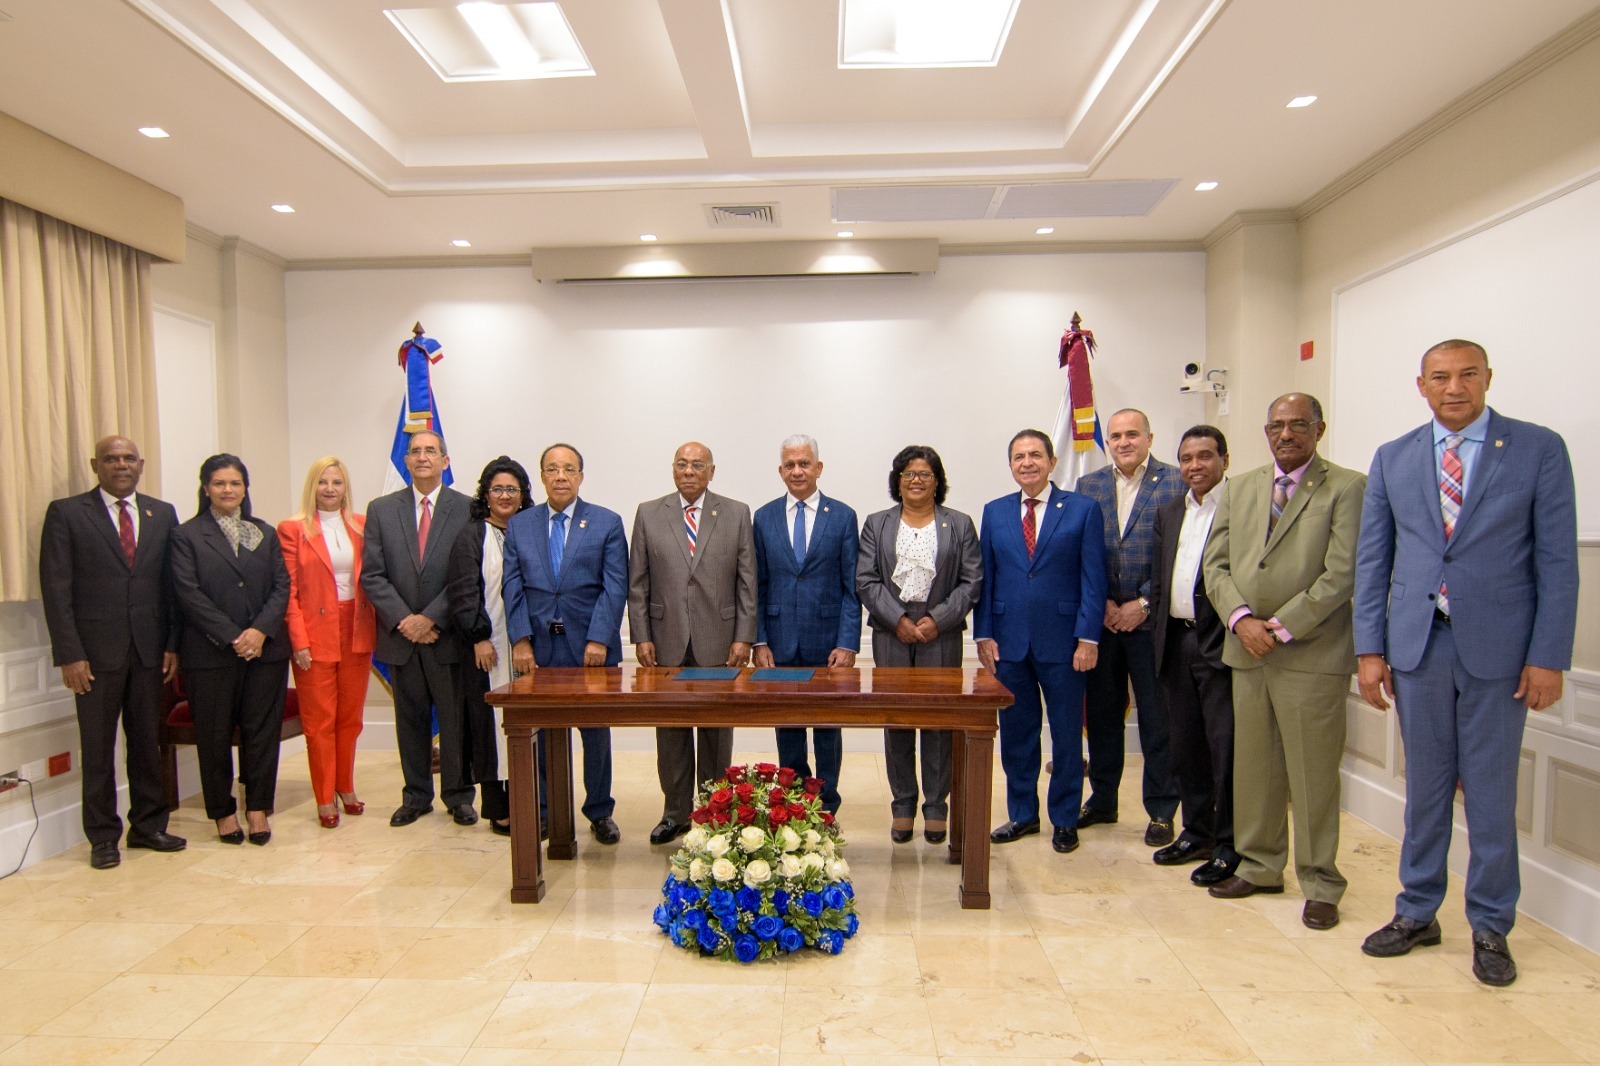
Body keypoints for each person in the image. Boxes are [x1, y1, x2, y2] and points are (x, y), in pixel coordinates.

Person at [1353, 339, 1577, 986]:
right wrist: (1369, 649)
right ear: (1421, 385)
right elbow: (1374, 560)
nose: (1455, 388)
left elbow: (1557, 561)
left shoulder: (1537, 449)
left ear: (1487, 378)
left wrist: (1548, 656)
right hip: (1418, 647)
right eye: (1441, 377)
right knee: (1424, 791)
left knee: (1490, 795)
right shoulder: (1394, 457)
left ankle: (1491, 925)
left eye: (1467, 375)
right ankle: (1417, 910)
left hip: (1501, 653)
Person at [1201, 393, 1364, 931]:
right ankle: (1260, 865)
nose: (1286, 434)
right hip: (1247, 650)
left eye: (1298, 425)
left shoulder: (1347, 487)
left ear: (1319, 429)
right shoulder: (1241, 488)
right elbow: (1215, 565)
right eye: (1276, 426)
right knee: (1255, 769)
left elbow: (1342, 573)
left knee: (1312, 776)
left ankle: (1320, 882)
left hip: (1310, 653)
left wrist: (1282, 625)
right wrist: (1241, 619)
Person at [40, 435, 186, 869]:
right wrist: (70, 654)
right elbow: (56, 590)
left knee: (146, 744)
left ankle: (148, 826)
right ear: (95, 465)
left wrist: (172, 644)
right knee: (98, 749)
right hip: (92, 657)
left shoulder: (162, 513)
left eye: (128, 458)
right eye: (111, 459)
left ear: (141, 465)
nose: (121, 465)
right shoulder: (67, 513)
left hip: (149, 652)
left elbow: (171, 586)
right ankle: (103, 837)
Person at [975, 429, 1106, 855]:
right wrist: (984, 634)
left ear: (1052, 462)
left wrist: (1088, 637)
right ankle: (1023, 814)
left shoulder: (1083, 509)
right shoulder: (995, 512)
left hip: (1065, 644)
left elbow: (1093, 579)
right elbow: (986, 579)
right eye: (1019, 456)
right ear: (1011, 465)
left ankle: (1064, 819)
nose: (1027, 462)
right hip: (1008, 643)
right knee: (1017, 734)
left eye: (1035, 455)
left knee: (1066, 734)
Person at [628, 441, 757, 845]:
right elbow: (638, 583)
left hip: (720, 639)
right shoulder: (649, 513)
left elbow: (747, 582)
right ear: (673, 469)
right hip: (665, 639)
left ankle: (714, 811)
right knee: (671, 730)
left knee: (716, 730)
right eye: (682, 464)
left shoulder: (736, 513)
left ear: (711, 472)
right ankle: (675, 813)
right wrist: (641, 635)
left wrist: (744, 636)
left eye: (698, 465)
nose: (689, 471)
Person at [857, 444, 981, 844]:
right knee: (896, 719)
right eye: (908, 473)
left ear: (937, 481)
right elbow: (866, 579)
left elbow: (971, 582)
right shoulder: (877, 524)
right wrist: (898, 619)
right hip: (890, 632)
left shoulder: (959, 524)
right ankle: (903, 805)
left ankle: (936, 806)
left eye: (924, 474)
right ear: (897, 481)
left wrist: (937, 620)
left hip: (941, 633)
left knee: (938, 721)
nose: (915, 480)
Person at [503, 443, 626, 844]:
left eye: (569, 469)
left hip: (591, 647)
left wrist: (599, 638)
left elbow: (614, 586)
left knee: (595, 733)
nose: (560, 476)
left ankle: (600, 811)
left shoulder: (606, 522)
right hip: (539, 648)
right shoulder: (521, 525)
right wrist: (520, 640)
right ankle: (545, 810)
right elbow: (512, 586)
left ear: (581, 476)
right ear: (541, 476)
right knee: (542, 732)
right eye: (553, 469)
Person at [1074, 408, 1186, 846]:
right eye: (1116, 436)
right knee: (1103, 717)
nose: (1124, 442)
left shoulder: (1175, 482)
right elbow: (1081, 551)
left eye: (1132, 434)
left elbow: (1179, 553)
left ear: (1149, 438)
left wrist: (1142, 603)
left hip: (1151, 623)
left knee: (1158, 719)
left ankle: (1161, 810)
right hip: (1102, 623)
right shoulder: (1089, 485)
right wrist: (1101, 602)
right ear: (1108, 442)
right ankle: (1103, 800)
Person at [168, 454, 290, 846]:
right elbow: (188, 594)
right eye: (219, 483)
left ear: (244, 488)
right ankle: (222, 811)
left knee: (261, 733)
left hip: (265, 653)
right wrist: (235, 637)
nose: (228, 490)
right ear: (206, 488)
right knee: (214, 735)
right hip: (211, 654)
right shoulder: (186, 536)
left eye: (235, 483)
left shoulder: (263, 532)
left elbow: (281, 586)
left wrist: (259, 632)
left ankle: (258, 808)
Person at [362, 429, 476, 828]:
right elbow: (373, 575)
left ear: (445, 460)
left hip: (448, 635)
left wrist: (431, 618)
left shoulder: (467, 508)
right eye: (415, 451)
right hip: (401, 637)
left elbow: (468, 573)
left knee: (455, 721)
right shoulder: (381, 509)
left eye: (431, 451)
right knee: (409, 721)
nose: (423, 457)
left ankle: (459, 796)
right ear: (406, 461)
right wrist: (406, 621)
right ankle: (415, 796)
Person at [1146, 426, 1235, 884]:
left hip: (1220, 644)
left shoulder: (1240, 507)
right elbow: (1161, 580)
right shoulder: (1170, 511)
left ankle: (1229, 845)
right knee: (1185, 747)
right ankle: (1196, 832)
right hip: (1176, 642)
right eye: (1186, 458)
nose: (1194, 466)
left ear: (1224, 460)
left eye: (1204, 456)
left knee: (1225, 750)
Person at [752, 434, 861, 813]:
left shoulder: (843, 516)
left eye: (804, 463)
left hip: (828, 643)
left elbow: (851, 587)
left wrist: (848, 642)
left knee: (827, 727)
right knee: (788, 727)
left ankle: (827, 803)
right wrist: (759, 640)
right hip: (779, 641)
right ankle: (795, 800)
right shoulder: (763, 517)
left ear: (818, 468)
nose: (797, 471)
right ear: (780, 470)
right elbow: (758, 584)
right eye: (790, 465)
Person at [278, 456, 376, 829]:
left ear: (345, 487)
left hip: (356, 628)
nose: (330, 489)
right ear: (312, 487)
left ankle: (345, 786)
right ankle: (323, 796)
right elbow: (288, 591)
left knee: (350, 718)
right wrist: (298, 640)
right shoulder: (292, 529)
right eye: (323, 482)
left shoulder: (362, 526)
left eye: (336, 482)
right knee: (320, 721)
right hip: (314, 631)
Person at [446, 456, 533, 838]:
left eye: (512, 489)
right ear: (485, 494)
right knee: (491, 729)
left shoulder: (531, 531)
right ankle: (500, 810)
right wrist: (478, 637)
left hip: (529, 648)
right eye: (497, 489)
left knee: (528, 725)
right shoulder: (472, 535)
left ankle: (530, 803)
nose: (505, 495)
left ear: (523, 494)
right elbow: (463, 590)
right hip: (490, 648)